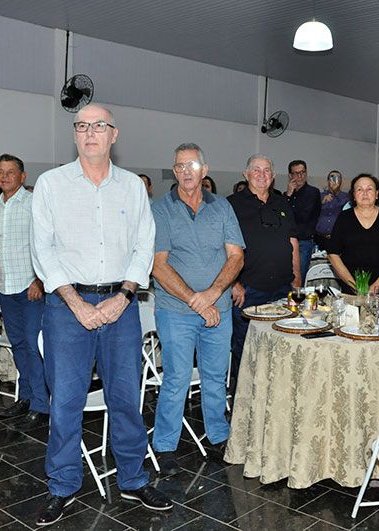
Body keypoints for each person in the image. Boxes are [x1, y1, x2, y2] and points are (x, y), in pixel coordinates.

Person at [31, 104, 171, 525]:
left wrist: (124, 296)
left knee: (126, 399)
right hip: (65, 309)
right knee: (65, 403)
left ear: (114, 134)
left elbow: (144, 245)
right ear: (74, 134)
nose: (90, 132)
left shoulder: (132, 187)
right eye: (82, 126)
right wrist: (76, 303)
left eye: (99, 126)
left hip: (120, 307)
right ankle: (62, 486)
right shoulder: (51, 184)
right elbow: (43, 249)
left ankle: (133, 479)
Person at [151, 143, 244, 475]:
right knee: (176, 378)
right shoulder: (160, 208)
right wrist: (197, 301)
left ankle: (218, 436)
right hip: (175, 310)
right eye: (179, 166)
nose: (185, 171)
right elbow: (158, 265)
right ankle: (165, 445)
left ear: (204, 170)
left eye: (191, 165)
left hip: (218, 308)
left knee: (216, 376)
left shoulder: (222, 207)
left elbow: (236, 256)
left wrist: (214, 293)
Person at [0, 154, 48, 430]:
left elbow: (45, 243)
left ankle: (41, 405)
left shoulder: (34, 202)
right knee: (18, 345)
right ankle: (26, 397)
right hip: (7, 287)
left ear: (23, 176)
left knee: (34, 345)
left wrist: (39, 280)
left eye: (11, 172)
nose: (5, 176)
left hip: (31, 287)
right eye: (1, 171)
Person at [228, 154, 298, 383]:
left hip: (282, 290)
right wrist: (233, 283)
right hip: (248, 291)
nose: (261, 175)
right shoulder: (231, 204)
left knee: (281, 347)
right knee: (246, 349)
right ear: (246, 174)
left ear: (273, 176)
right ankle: (242, 398)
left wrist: (297, 281)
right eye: (256, 170)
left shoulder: (282, 203)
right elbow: (220, 248)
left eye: (266, 170)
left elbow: (293, 241)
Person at [328, 174, 379, 293]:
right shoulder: (344, 217)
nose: (365, 193)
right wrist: (354, 285)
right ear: (354, 195)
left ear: (377, 194)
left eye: (369, 189)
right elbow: (333, 254)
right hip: (351, 288)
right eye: (359, 189)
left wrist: (376, 286)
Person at [285, 160, 321, 281]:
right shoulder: (287, 195)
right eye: (296, 173)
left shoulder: (313, 192)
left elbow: (303, 216)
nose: (300, 176)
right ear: (290, 175)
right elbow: (281, 216)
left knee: (299, 277)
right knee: (285, 276)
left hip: (303, 240)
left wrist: (289, 201)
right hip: (286, 241)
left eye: (302, 172)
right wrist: (288, 196)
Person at [315, 170, 349, 250]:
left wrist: (335, 193)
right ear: (328, 181)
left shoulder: (346, 197)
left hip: (338, 238)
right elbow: (312, 212)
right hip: (320, 237)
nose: (334, 180)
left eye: (337, 178)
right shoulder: (319, 196)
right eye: (332, 178)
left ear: (341, 181)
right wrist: (322, 202)